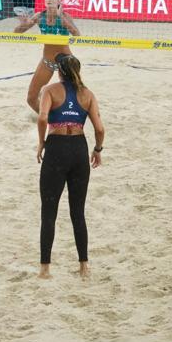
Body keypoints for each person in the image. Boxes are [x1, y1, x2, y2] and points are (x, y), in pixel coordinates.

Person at [35, 53, 104, 279]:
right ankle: (84, 266)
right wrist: (97, 149)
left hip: (56, 149)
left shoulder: (50, 90)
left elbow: (43, 118)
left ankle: (45, 269)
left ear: (59, 71)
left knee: (49, 211)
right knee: (78, 212)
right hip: (78, 150)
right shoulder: (88, 94)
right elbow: (100, 129)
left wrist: (42, 142)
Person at [14, 0, 82, 113]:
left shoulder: (65, 16)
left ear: (59, 1)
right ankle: (50, 118)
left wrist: (60, 17)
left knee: (75, 99)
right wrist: (23, 23)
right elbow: (16, 32)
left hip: (66, 62)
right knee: (31, 99)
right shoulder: (39, 16)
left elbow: (77, 35)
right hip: (47, 62)